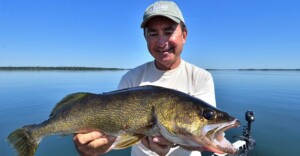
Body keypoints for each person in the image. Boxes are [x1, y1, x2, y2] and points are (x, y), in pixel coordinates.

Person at [73, 1, 216, 156]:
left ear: (184, 35)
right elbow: (115, 136)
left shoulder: (201, 77)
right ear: (145, 38)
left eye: (168, 32)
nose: (162, 42)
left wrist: (172, 140)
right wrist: (93, 149)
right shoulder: (131, 78)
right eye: (153, 34)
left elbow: (205, 135)